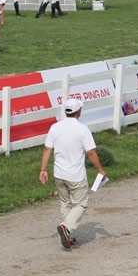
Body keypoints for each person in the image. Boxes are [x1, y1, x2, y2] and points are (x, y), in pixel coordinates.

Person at [39, 98, 107, 249]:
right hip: (76, 175)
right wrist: (100, 170)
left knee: (65, 203)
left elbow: (47, 149)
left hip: (59, 174)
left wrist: (43, 169)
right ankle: (66, 227)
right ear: (79, 112)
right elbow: (91, 152)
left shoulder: (55, 127)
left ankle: (68, 235)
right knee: (81, 204)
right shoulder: (82, 129)